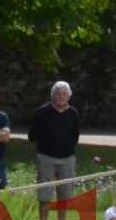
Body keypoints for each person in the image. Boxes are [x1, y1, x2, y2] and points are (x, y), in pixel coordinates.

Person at [28, 80, 79, 208]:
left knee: (65, 196)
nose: (61, 97)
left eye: (64, 94)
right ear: (53, 95)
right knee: (44, 196)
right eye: (58, 94)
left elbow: (75, 135)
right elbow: (32, 136)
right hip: (46, 158)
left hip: (67, 158)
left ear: (68, 96)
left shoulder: (73, 113)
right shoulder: (42, 112)